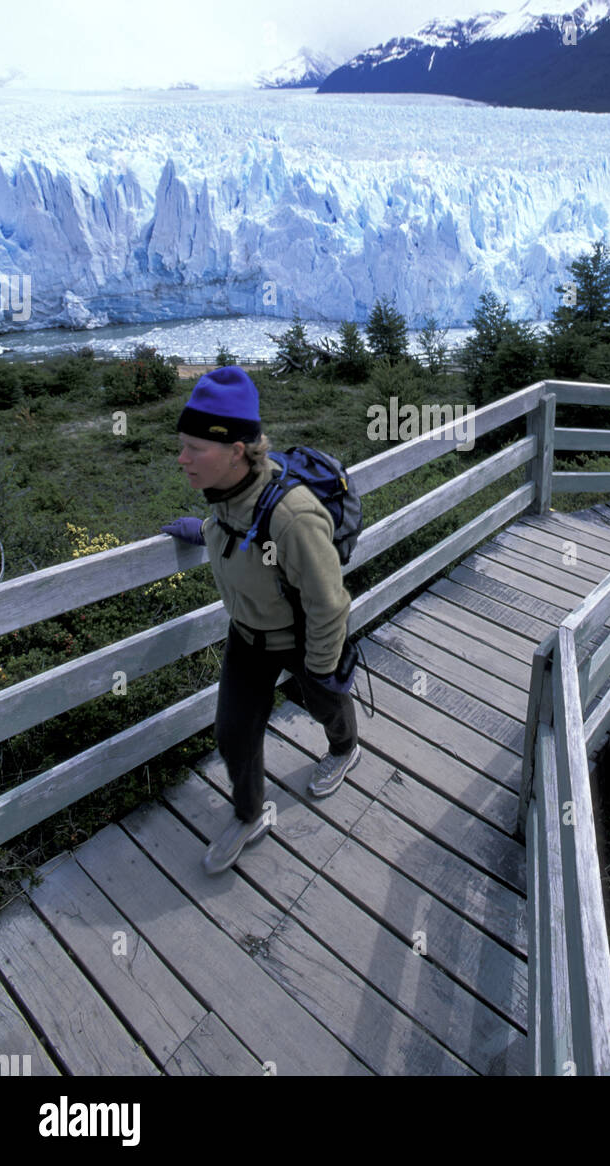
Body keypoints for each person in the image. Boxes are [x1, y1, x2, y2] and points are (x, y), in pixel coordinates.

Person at [161, 365, 360, 876]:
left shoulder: (292, 515)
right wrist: (199, 530)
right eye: (181, 444)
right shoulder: (225, 497)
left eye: (194, 448)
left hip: (299, 637)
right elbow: (231, 530)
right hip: (247, 637)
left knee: (324, 701)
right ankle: (249, 812)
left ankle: (344, 747)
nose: (181, 459)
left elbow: (329, 602)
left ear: (236, 451)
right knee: (233, 732)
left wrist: (318, 666)